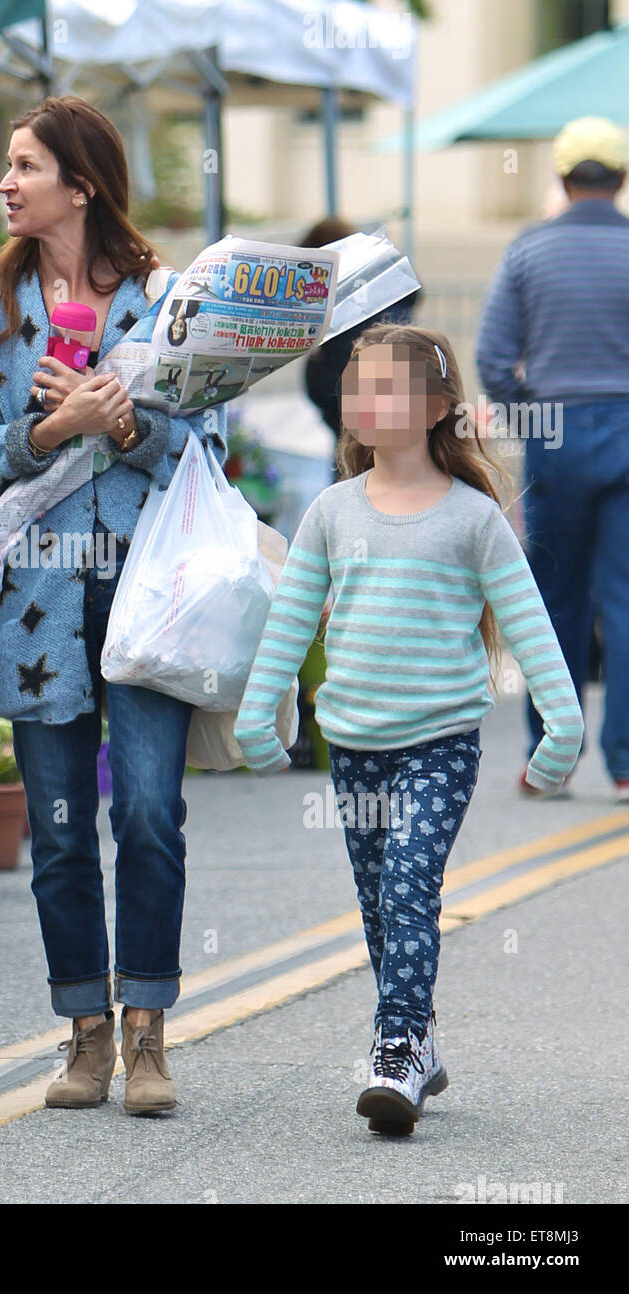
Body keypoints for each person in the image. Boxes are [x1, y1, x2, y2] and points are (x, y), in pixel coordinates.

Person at [0, 95, 227, 1115]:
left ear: (83, 182)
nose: (6, 183)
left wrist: (131, 424)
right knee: (60, 829)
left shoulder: (168, 300)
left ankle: (149, 1028)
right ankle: (85, 1031)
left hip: (152, 597)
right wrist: (54, 430)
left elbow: (213, 448)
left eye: (25, 166)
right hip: (35, 611)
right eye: (7, 166)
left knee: (149, 812)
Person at [233, 323, 582, 1134]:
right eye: (358, 387)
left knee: (408, 887)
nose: (365, 401)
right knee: (379, 908)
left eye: (385, 388)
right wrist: (261, 712)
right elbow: (291, 622)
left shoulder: (473, 519)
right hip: (352, 745)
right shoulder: (329, 511)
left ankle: (395, 1048)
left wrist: (558, 725)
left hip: (441, 742)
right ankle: (419, 1033)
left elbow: (528, 623)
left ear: (435, 408)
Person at [476, 115, 629, 802]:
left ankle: (551, 756)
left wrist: (531, 411)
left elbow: (491, 358)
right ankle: (625, 763)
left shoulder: (528, 251)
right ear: (621, 180)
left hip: (556, 432)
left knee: (555, 601)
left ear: (563, 180)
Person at [299, 216, 419, 468]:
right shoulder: (388, 285)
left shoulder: (341, 298)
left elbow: (332, 378)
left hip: (349, 401)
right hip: (392, 398)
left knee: (352, 472)